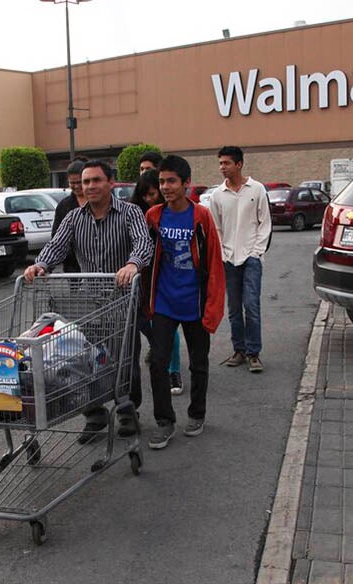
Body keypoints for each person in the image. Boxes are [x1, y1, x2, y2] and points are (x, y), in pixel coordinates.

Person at [24, 159, 152, 443]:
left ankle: (127, 412)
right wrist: (40, 265)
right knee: (83, 358)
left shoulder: (130, 213)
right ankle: (93, 414)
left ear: (111, 183)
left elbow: (144, 243)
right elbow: (56, 246)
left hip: (122, 300)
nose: (90, 186)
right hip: (87, 302)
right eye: (86, 182)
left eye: (96, 180)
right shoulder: (74, 217)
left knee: (123, 359)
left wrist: (132, 264)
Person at [144, 155, 225, 449]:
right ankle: (164, 422)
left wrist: (213, 307)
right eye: (162, 181)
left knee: (198, 364)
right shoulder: (153, 216)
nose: (165, 187)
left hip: (195, 304)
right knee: (158, 363)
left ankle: (197, 414)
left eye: (171, 181)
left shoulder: (201, 217)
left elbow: (215, 264)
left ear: (186, 183)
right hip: (164, 303)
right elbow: (145, 259)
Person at [208, 146, 272, 373]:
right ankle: (239, 350)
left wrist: (257, 251)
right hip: (228, 259)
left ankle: (254, 353)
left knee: (251, 305)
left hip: (251, 258)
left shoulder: (256, 189)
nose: (222, 168)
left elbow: (265, 223)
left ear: (239, 164)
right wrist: (223, 254)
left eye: (226, 163)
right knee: (234, 307)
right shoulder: (217, 195)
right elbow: (215, 227)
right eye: (220, 164)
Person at [131, 170, 184, 396]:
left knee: (167, 326)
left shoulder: (167, 214)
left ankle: (173, 370)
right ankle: (157, 350)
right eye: (144, 196)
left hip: (164, 276)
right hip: (142, 276)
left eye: (152, 194)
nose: (149, 199)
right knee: (143, 322)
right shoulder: (134, 214)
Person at [51, 159, 87, 273]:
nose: (76, 186)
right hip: (73, 267)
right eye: (72, 183)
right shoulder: (64, 206)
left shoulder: (98, 202)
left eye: (79, 182)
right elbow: (56, 238)